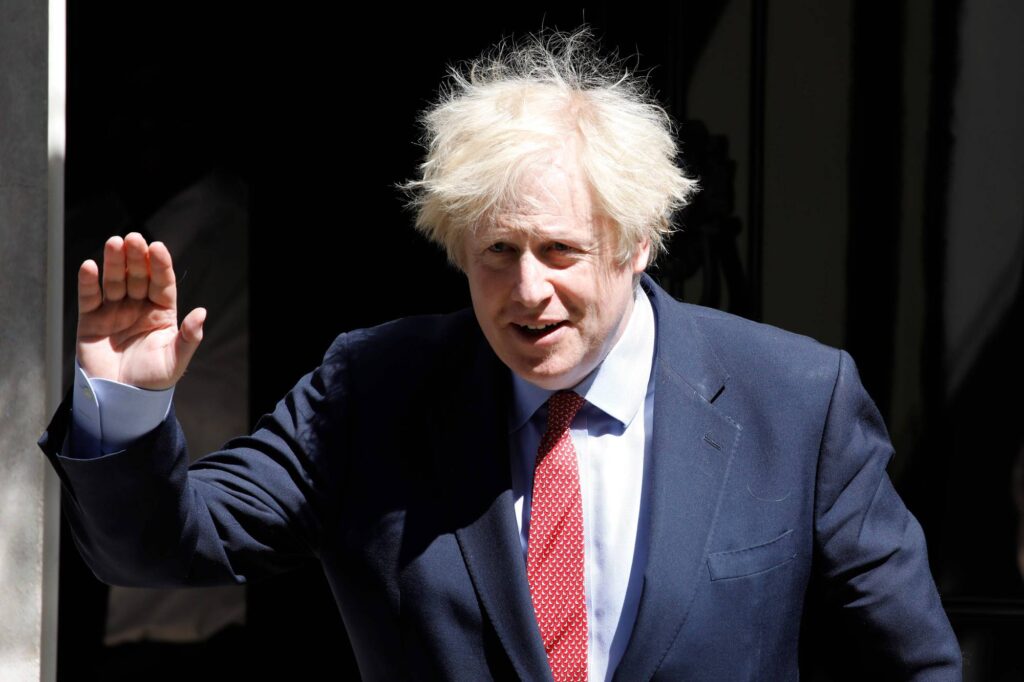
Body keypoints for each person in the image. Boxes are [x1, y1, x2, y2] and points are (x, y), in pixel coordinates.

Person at [40, 29, 961, 681]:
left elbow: (908, 661)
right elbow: (165, 548)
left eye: (560, 251)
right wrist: (126, 408)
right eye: (496, 253)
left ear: (638, 242)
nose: (527, 291)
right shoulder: (375, 389)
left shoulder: (794, 402)